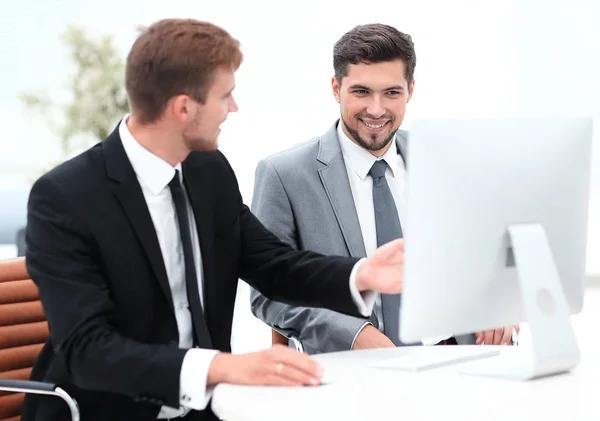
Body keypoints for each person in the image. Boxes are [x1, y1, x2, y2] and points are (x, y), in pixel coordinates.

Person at [23, 19, 404, 421]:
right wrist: (223, 367)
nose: (233, 108)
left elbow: (274, 265)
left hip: (208, 410)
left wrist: (362, 274)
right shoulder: (65, 198)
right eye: (226, 96)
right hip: (102, 411)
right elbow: (89, 351)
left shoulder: (209, 172)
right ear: (184, 107)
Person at [250, 23, 517, 355]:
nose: (376, 110)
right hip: (355, 370)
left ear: (411, 90)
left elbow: (485, 254)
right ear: (336, 89)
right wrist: (355, 333)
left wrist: (499, 303)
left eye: (392, 93)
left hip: (457, 356)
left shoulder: (446, 160)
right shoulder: (284, 175)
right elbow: (267, 293)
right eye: (361, 91)